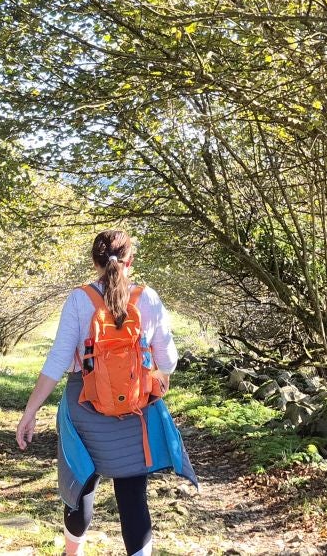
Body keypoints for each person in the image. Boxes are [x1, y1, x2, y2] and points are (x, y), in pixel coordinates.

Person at [15, 229, 198, 556]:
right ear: (131, 260)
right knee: (132, 497)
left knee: (80, 487)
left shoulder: (78, 300)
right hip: (135, 409)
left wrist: (30, 413)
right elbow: (168, 359)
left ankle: (73, 553)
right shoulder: (148, 298)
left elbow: (58, 360)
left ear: (94, 261)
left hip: (83, 407)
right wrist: (160, 376)